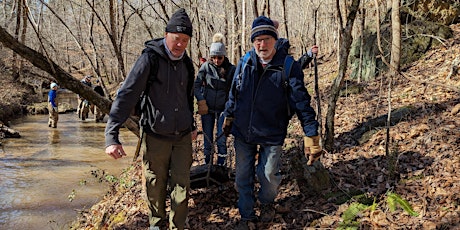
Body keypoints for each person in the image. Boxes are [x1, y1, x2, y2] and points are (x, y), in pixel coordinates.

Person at [221, 16, 323, 229]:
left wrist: (311, 133)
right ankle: (247, 216)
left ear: (275, 40)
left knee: (268, 175)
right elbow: (234, 92)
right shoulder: (245, 62)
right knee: (242, 177)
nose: (262, 44)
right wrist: (229, 116)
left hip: (272, 132)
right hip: (243, 131)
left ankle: (267, 203)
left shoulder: (288, 66)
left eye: (267, 39)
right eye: (257, 40)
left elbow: (301, 101)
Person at [104, 8, 197, 230]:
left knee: (182, 185)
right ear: (166, 35)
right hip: (155, 136)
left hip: (182, 136)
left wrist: (192, 124)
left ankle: (178, 226)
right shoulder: (149, 59)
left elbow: (187, 98)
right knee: (155, 184)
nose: (180, 44)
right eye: (176, 39)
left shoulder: (187, 64)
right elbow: (126, 95)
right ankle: (156, 224)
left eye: (185, 40)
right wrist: (111, 135)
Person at [194, 33, 235, 166]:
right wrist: (201, 100)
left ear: (224, 56)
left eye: (220, 57)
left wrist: (230, 107)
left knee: (221, 138)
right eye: (214, 57)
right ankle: (208, 164)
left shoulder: (231, 69)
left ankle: (221, 164)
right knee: (207, 137)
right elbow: (196, 85)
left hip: (224, 109)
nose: (217, 60)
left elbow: (235, 90)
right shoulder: (205, 67)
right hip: (208, 108)